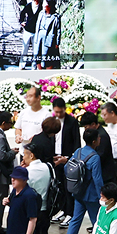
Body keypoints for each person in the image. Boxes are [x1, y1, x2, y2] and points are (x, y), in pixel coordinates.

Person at [23, 143, 53, 234]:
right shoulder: (48, 167)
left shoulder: (27, 172)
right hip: (45, 211)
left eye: (25, 154)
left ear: (31, 155)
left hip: (30, 213)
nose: (23, 158)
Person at [66, 127, 104, 234]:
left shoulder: (78, 151)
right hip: (91, 195)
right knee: (97, 222)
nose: (100, 139)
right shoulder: (95, 157)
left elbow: (66, 167)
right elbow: (97, 179)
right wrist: (102, 196)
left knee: (75, 220)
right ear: (94, 141)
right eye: (98, 137)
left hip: (78, 192)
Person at [4, 166, 39, 234]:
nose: (13, 180)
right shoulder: (15, 192)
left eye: (16, 178)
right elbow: (15, 206)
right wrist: (7, 202)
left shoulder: (29, 195)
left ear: (24, 180)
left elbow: (32, 219)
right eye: (12, 177)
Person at [50, 97, 81, 226]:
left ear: (65, 109)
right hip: (55, 157)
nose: (58, 114)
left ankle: (70, 212)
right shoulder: (52, 121)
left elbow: (76, 141)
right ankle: (62, 209)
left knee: (69, 187)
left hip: (67, 158)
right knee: (60, 186)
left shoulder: (72, 122)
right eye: (56, 112)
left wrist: (71, 158)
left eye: (60, 112)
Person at [35, 0, 61, 69]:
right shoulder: (41, 13)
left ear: (49, 5)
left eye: (44, 3)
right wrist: (36, 38)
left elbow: (58, 30)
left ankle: (47, 73)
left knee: (48, 59)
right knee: (37, 57)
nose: (43, 4)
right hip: (39, 38)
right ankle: (40, 72)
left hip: (49, 40)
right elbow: (37, 26)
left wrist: (57, 43)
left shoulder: (55, 17)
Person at [18, 0, 41, 69]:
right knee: (24, 49)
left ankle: (33, 67)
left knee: (36, 51)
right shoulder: (29, 5)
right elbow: (22, 13)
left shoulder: (41, 7)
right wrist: (21, 22)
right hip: (27, 30)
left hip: (37, 32)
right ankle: (22, 66)